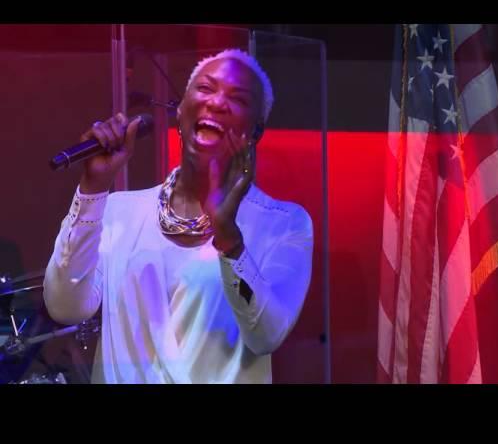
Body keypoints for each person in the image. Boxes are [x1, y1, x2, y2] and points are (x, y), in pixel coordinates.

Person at [43, 49, 314, 384]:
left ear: (255, 132)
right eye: (205, 89)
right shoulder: (119, 211)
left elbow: (266, 334)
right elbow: (64, 307)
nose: (216, 102)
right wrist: (93, 189)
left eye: (237, 97)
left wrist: (229, 238)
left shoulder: (283, 224)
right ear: (181, 112)